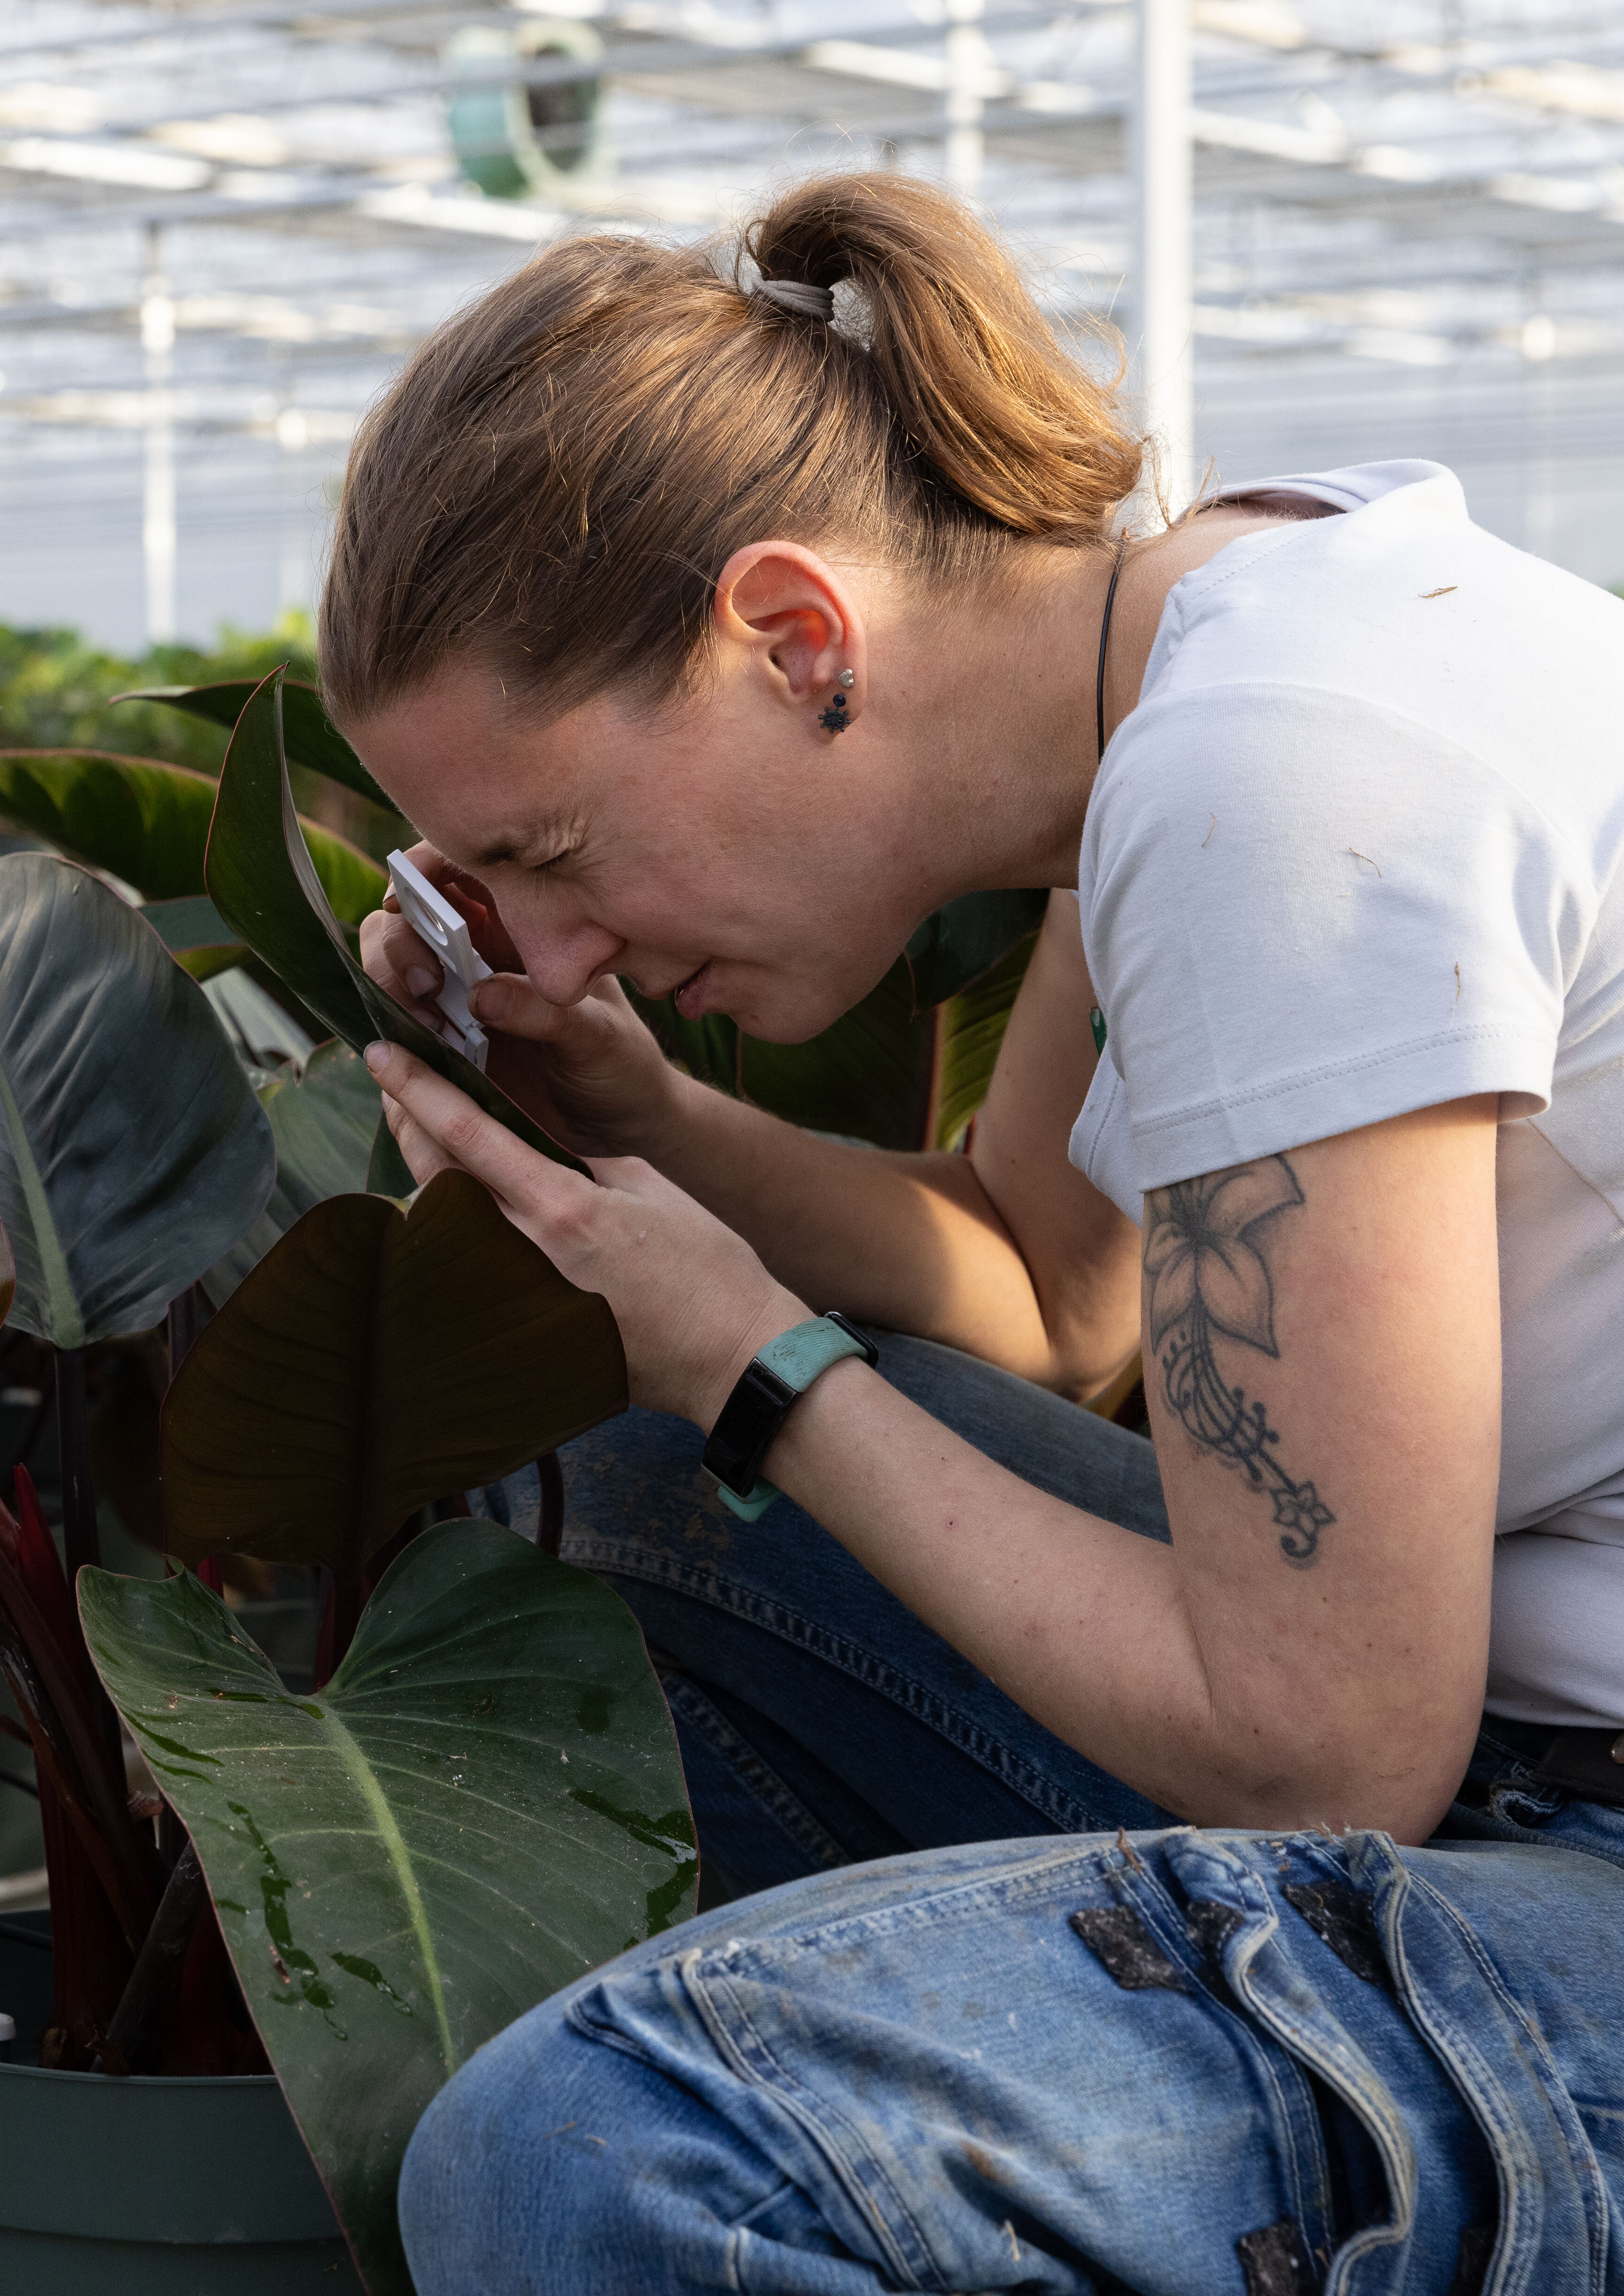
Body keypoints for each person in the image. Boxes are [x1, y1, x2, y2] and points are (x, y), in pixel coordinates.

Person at [331, 172, 1624, 2289]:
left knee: (615, 2151)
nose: (555, 937)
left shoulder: (1271, 783)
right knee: (635, 1484)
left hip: (1542, 1811)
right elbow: (1042, 1284)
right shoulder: (1207, 649)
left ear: (793, 639)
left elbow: (1325, 1747)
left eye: (546, 849)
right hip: (1514, 1723)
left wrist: (757, 1361)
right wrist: (634, 1107)